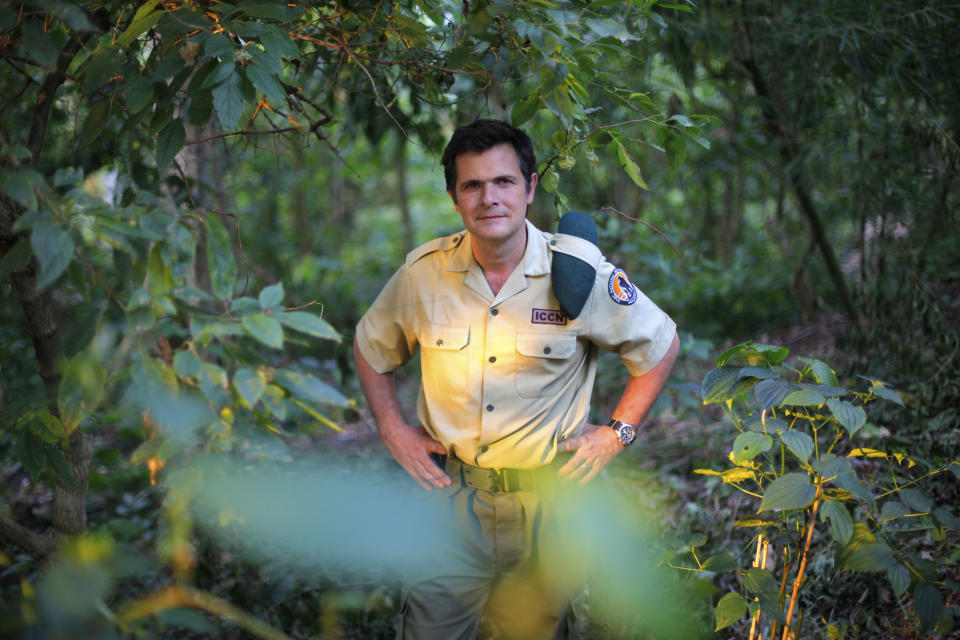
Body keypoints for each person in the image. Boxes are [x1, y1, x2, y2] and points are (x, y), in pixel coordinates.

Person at [353, 119, 679, 639]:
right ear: (455, 197)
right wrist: (394, 431)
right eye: (472, 185)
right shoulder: (423, 275)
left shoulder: (577, 272)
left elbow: (660, 346)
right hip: (449, 503)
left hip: (548, 505)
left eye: (504, 181)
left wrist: (616, 434)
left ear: (529, 188)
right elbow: (371, 349)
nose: (489, 198)